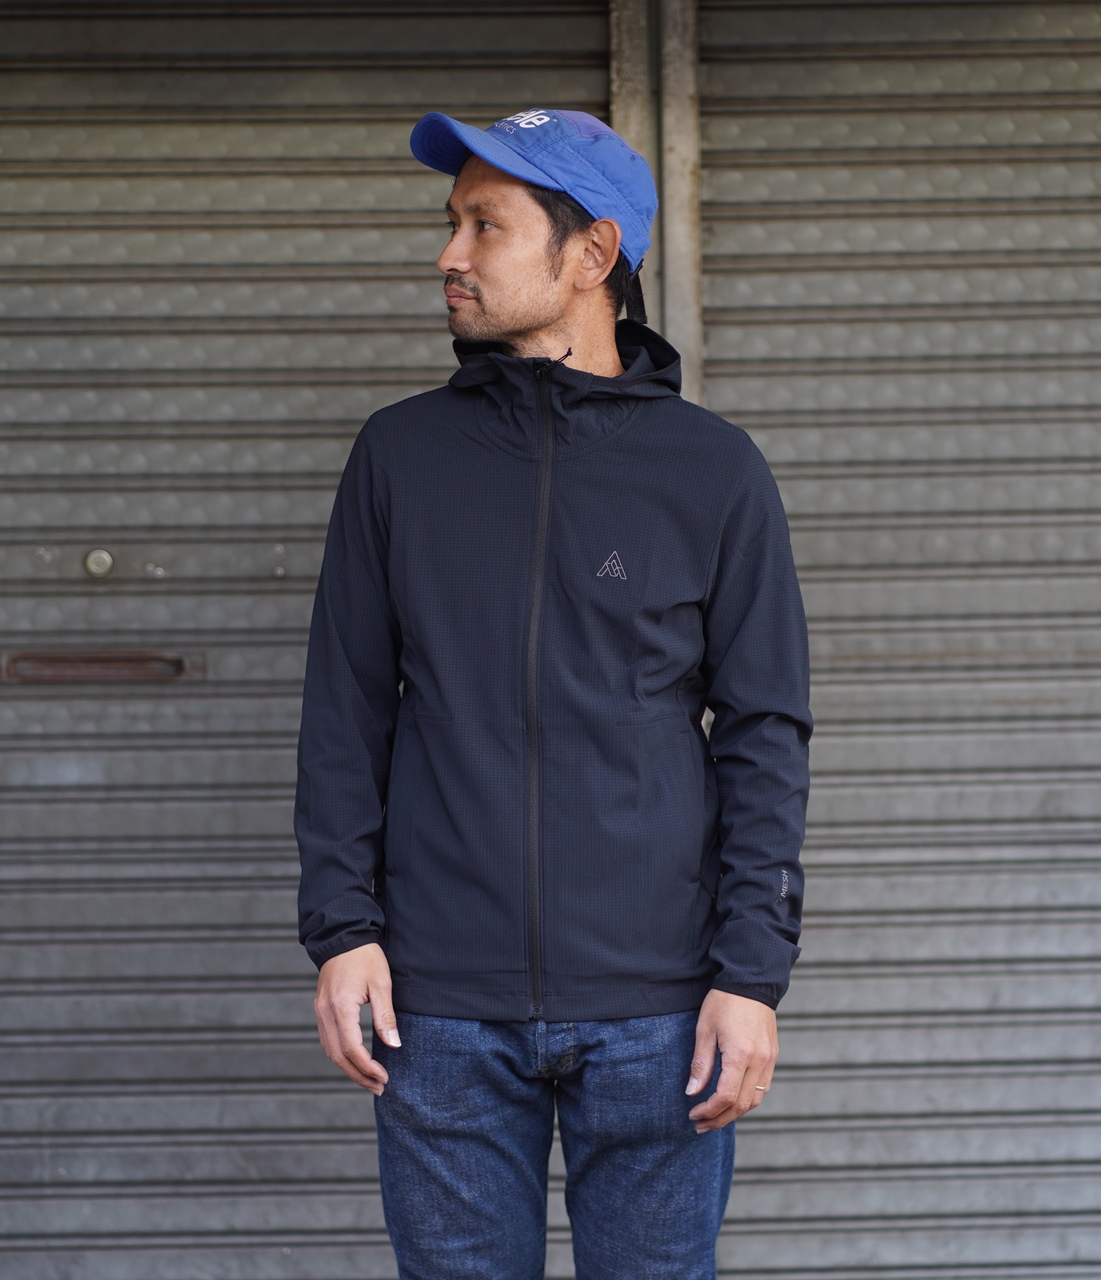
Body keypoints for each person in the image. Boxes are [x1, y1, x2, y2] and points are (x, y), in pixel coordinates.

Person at [295, 106, 812, 1280]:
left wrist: (748, 974)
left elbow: (763, 731)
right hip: (438, 1006)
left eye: (485, 224)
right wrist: (344, 929)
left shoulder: (712, 471)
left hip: (659, 1009)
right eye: (450, 223)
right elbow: (345, 708)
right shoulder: (400, 457)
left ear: (590, 254)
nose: (449, 254)